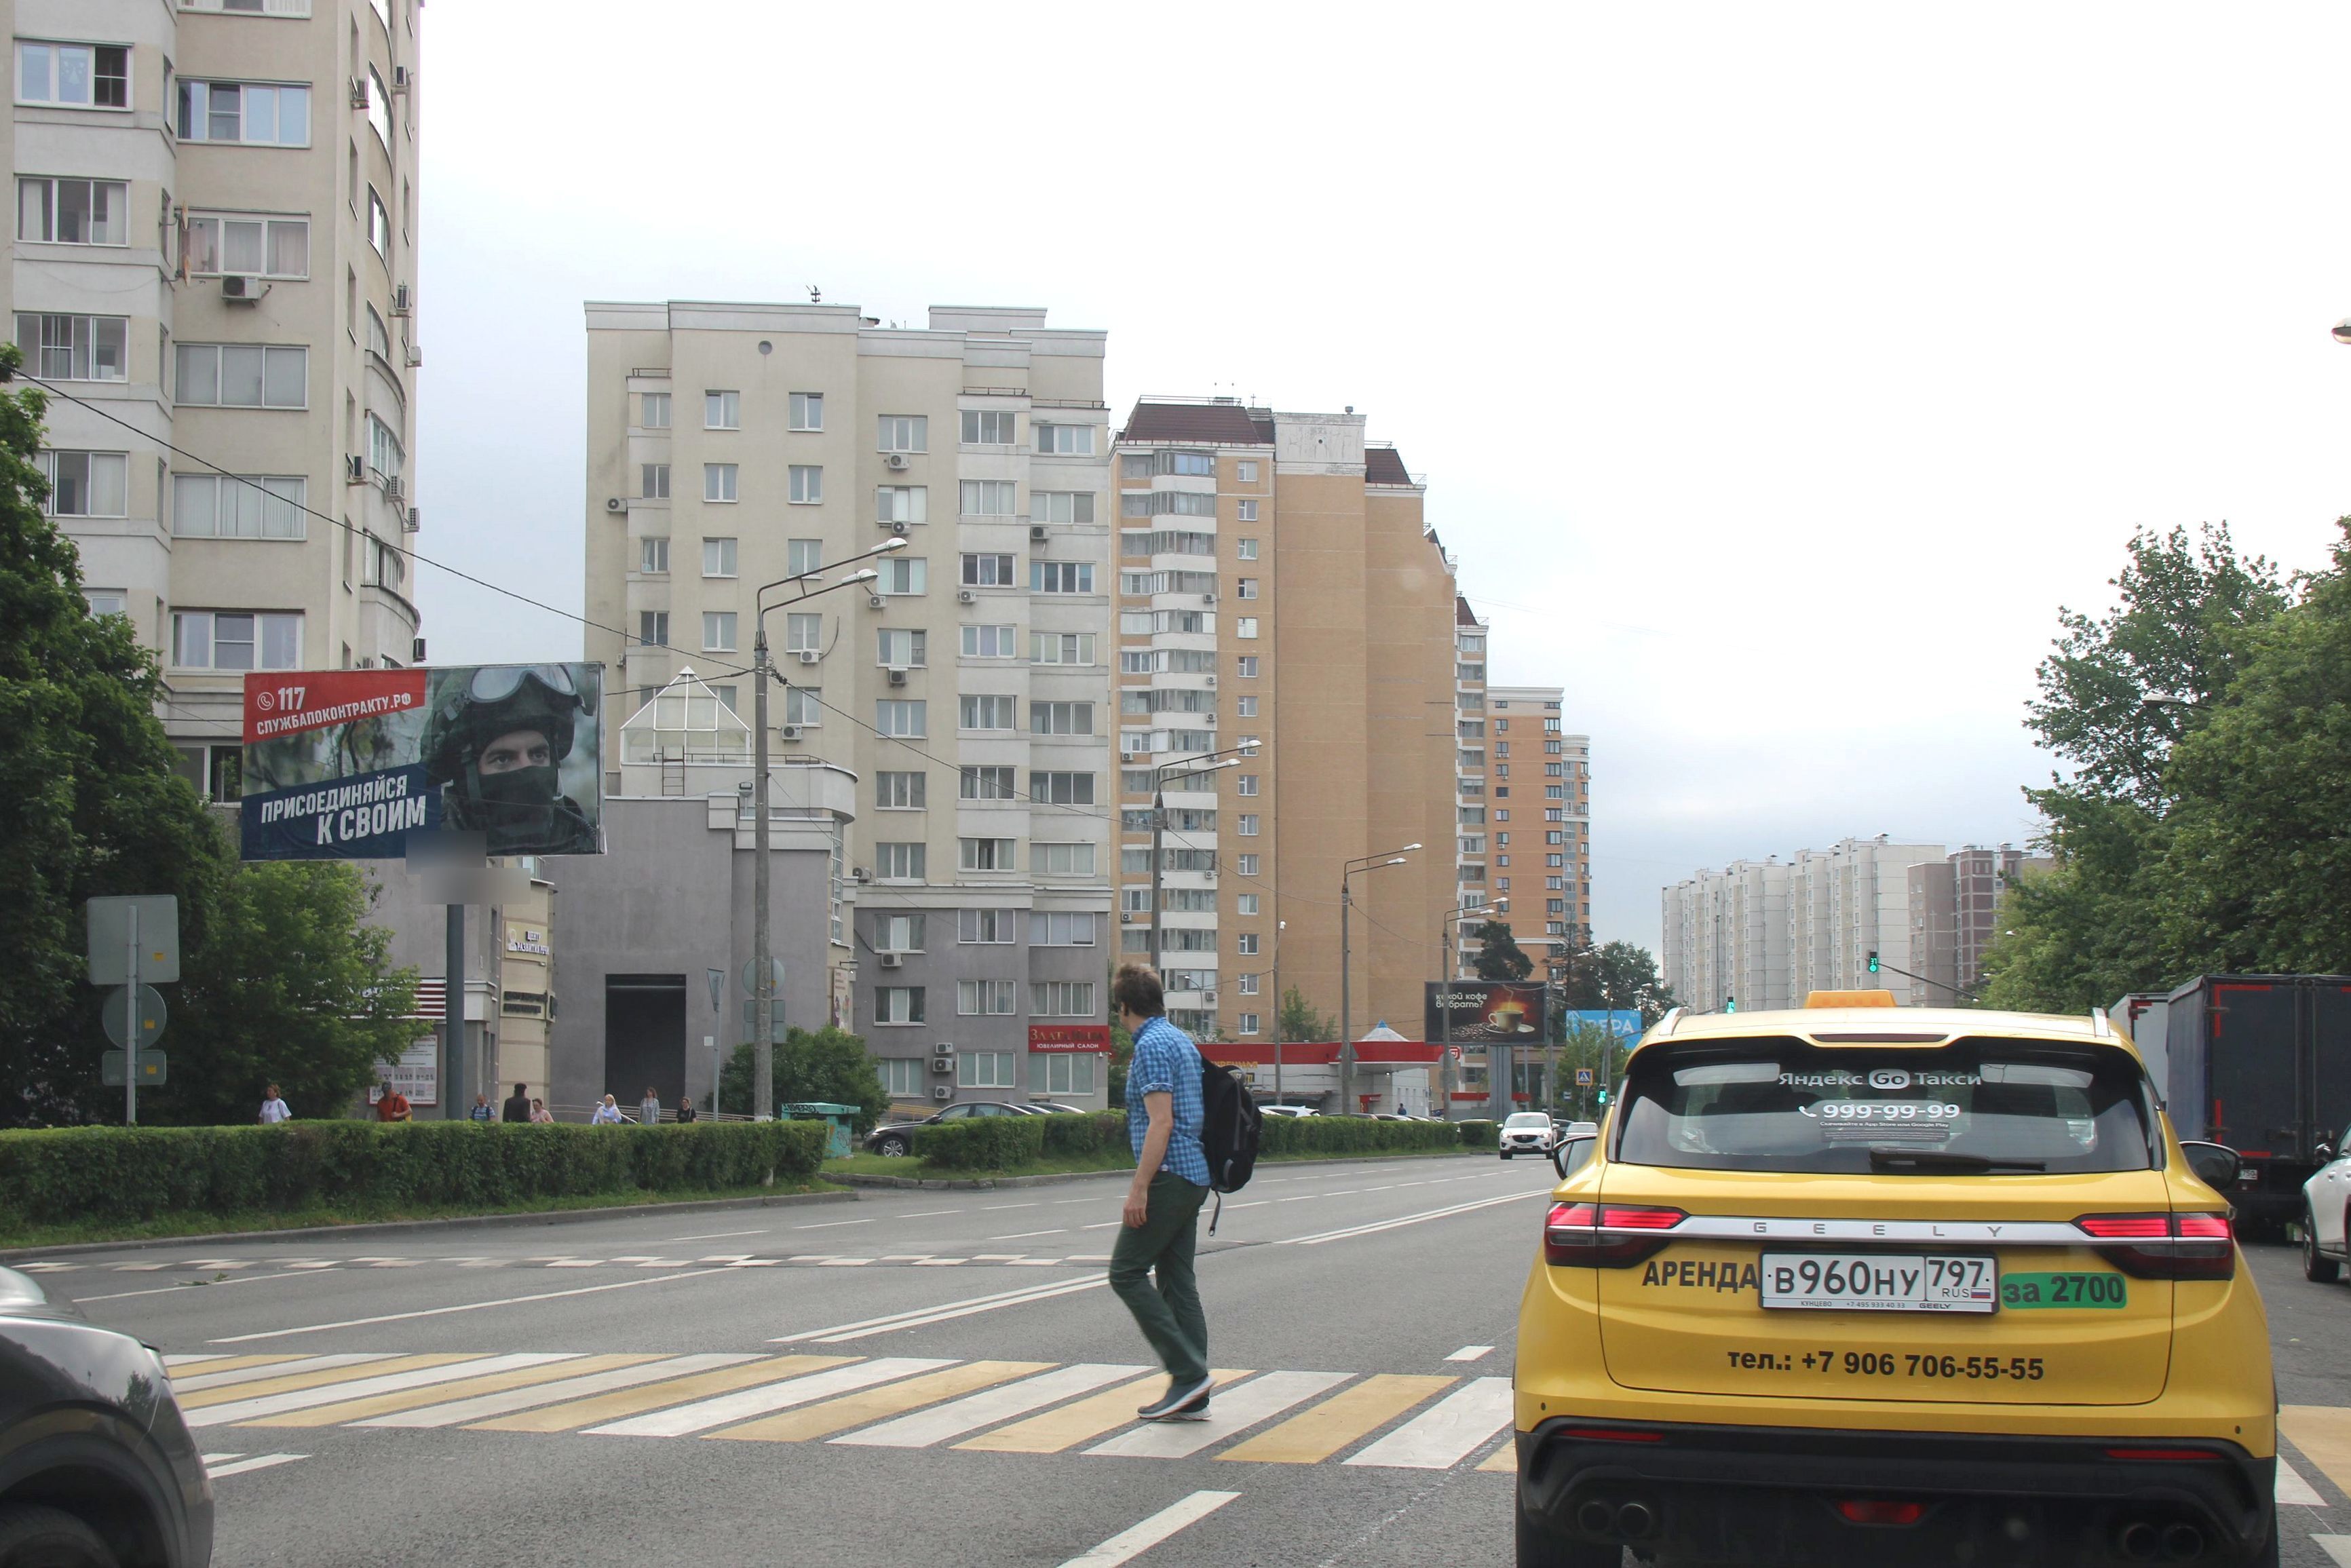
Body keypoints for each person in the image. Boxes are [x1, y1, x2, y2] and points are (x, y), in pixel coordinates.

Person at [1108, 962, 1214, 1422]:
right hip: (1193, 1173)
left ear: (1124, 1007)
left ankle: (1187, 1373)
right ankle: (1194, 1390)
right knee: (1176, 1281)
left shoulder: (1150, 1046)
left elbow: (1161, 1121)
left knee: (1126, 1272)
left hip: (1169, 1174)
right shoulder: (1180, 1040)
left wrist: (1139, 1188)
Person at [419, 665, 599, 856]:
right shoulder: (427, 852)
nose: (527, 769)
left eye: (538, 755)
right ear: (465, 775)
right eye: (503, 758)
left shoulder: (585, 842)